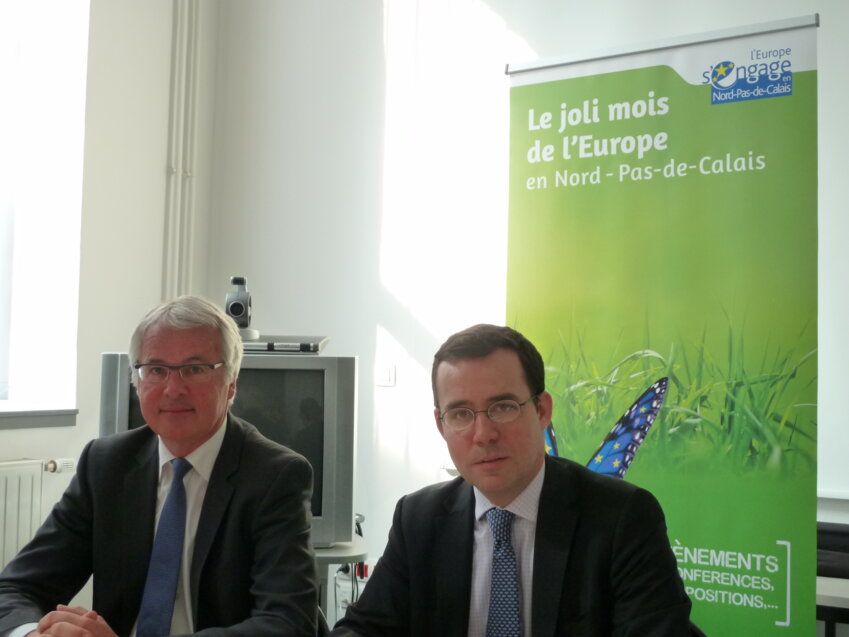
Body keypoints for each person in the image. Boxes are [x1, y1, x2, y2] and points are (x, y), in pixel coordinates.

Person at [331, 323, 693, 636]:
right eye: (460, 414)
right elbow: (365, 628)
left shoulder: (622, 518)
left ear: (542, 411)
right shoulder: (418, 518)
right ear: (441, 426)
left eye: (503, 407)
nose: (483, 434)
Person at [0, 295, 318, 637]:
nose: (173, 389)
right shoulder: (106, 465)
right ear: (137, 382)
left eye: (195, 369)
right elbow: (15, 589)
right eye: (156, 369)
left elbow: (287, 623)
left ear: (231, 383)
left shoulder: (276, 476)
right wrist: (35, 634)